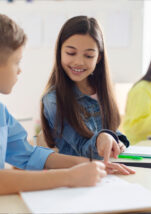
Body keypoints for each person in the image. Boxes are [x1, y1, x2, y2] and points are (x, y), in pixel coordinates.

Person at [0, 10, 134, 203]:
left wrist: (90, 165)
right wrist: (70, 177)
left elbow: (30, 155)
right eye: (17, 62)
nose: (20, 70)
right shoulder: (52, 98)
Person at [41, 16, 130, 163]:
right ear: (59, 53)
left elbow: (111, 130)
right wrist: (103, 139)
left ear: (98, 58)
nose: (79, 62)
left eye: (89, 56)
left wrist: (116, 140)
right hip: (76, 176)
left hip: (105, 172)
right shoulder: (53, 100)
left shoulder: (101, 92)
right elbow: (83, 148)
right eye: (71, 53)